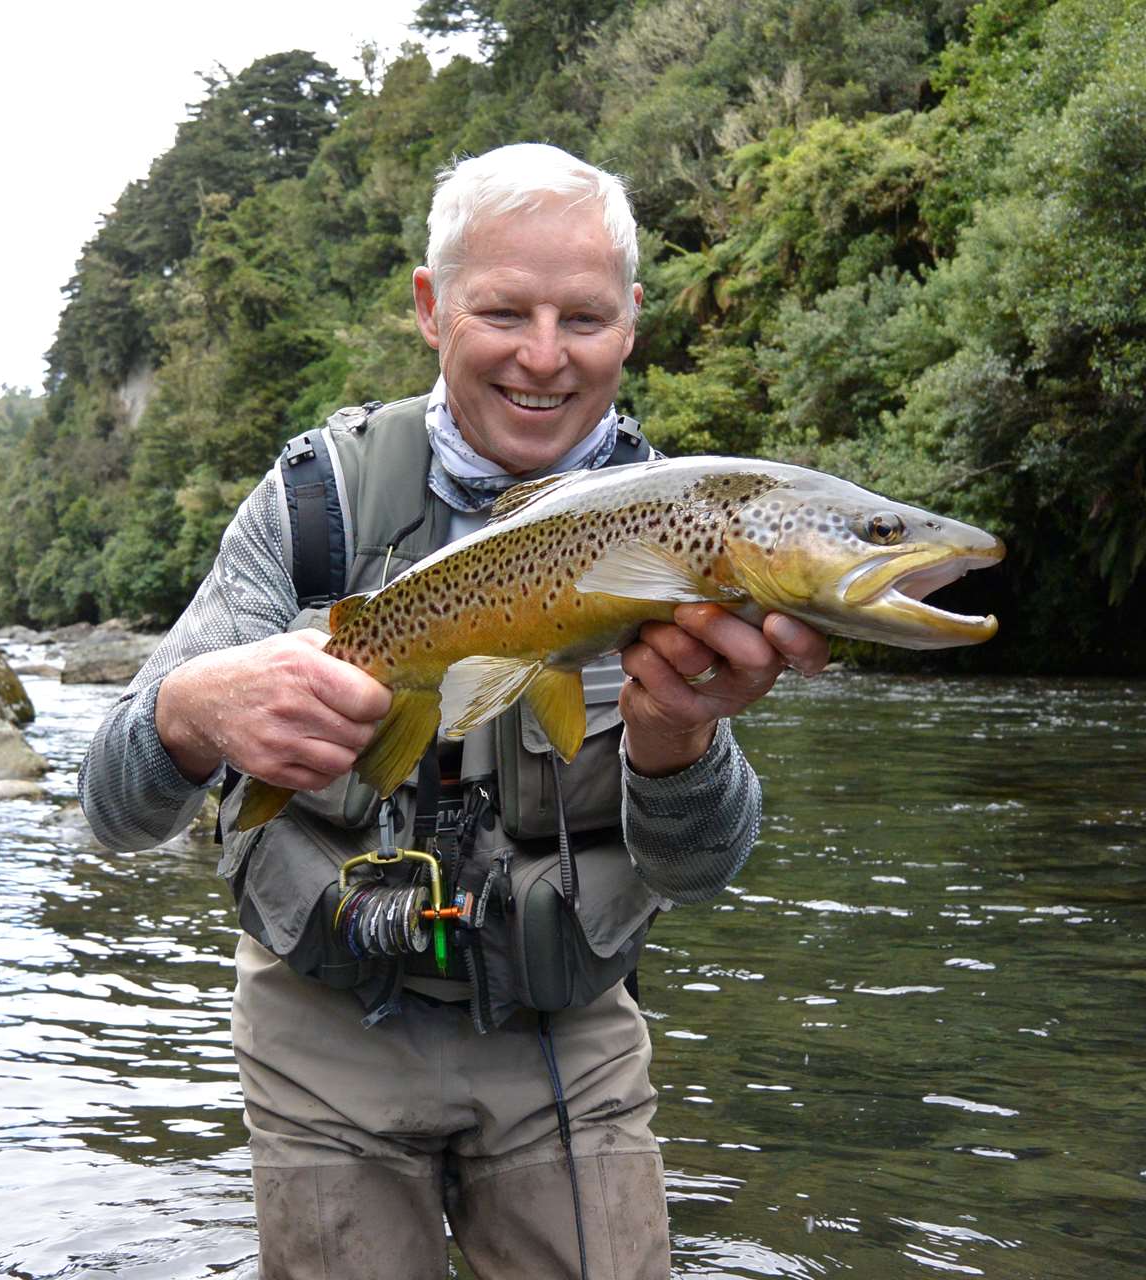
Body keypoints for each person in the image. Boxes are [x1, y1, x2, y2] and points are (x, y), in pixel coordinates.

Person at [80, 142, 830, 1279]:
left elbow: (702, 868)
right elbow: (109, 807)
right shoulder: (315, 505)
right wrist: (191, 711)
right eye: (503, 311)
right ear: (432, 309)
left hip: (563, 1026)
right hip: (321, 1026)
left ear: (632, 319)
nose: (543, 356)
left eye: (582, 317)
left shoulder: (695, 524)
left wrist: (679, 744)